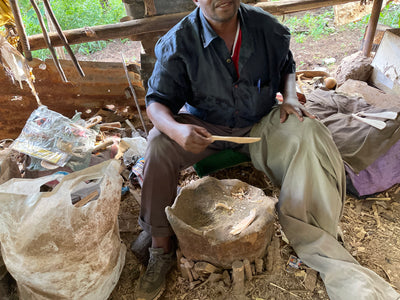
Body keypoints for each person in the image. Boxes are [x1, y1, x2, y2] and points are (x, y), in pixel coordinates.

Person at [134, 1, 400, 300]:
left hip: (258, 124)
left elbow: (287, 66)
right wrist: (177, 130)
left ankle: (313, 229)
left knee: (308, 130)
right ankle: (161, 246)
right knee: (158, 142)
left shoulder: (265, 26)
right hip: (203, 127)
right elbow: (156, 103)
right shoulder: (178, 41)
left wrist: (289, 97)